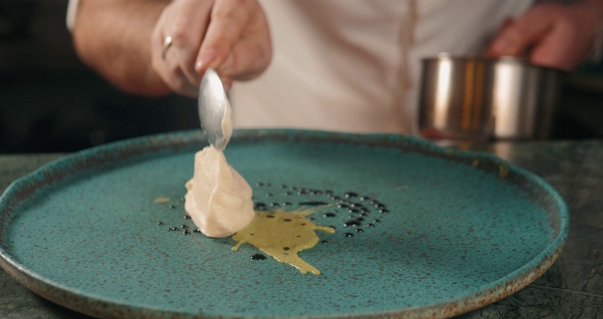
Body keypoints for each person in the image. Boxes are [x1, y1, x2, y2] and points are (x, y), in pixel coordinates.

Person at [68, 0, 602, 134]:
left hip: (495, 175)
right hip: (283, 190)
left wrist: (588, 21)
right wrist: (179, 34)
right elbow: (96, 15)